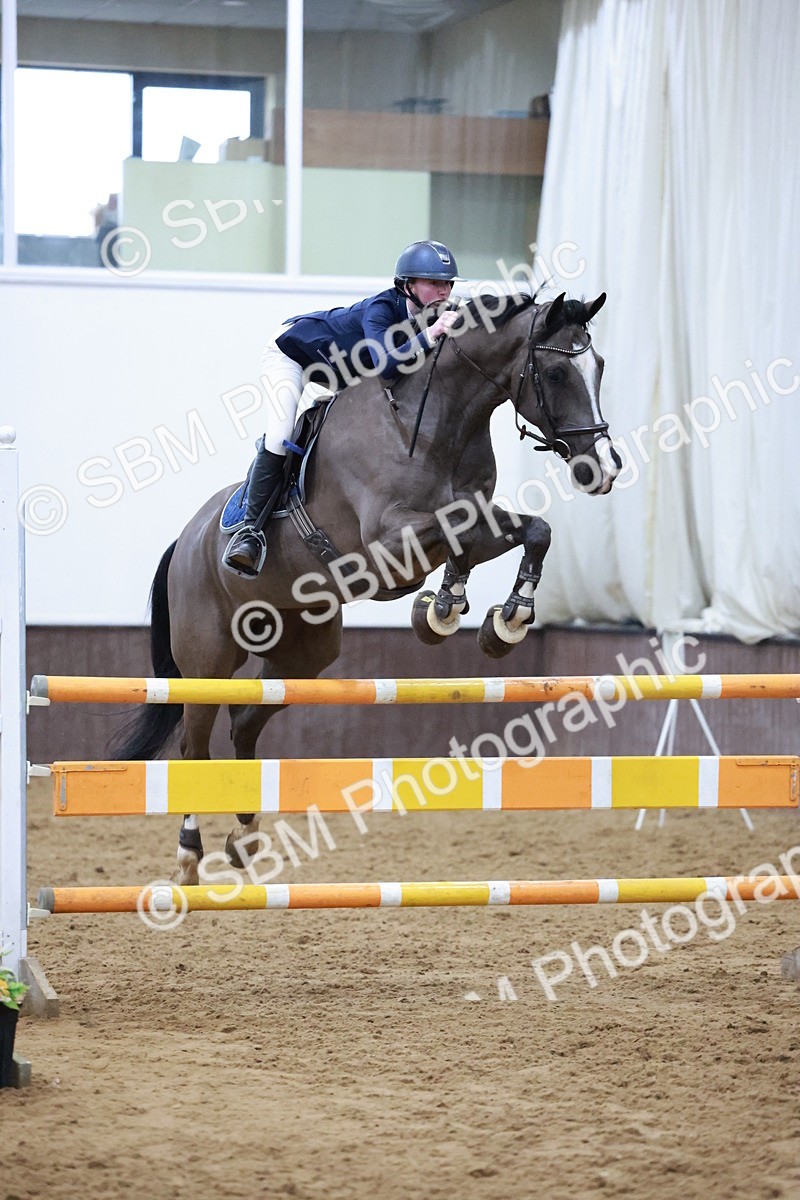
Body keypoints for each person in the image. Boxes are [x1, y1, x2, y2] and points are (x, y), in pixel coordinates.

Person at [223, 239, 462, 576]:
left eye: (447, 284)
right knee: (281, 434)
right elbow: (388, 367)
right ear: (407, 285)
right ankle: (250, 532)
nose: (444, 291)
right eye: (434, 283)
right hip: (292, 355)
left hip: (345, 370)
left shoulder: (429, 315)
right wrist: (433, 333)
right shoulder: (381, 309)